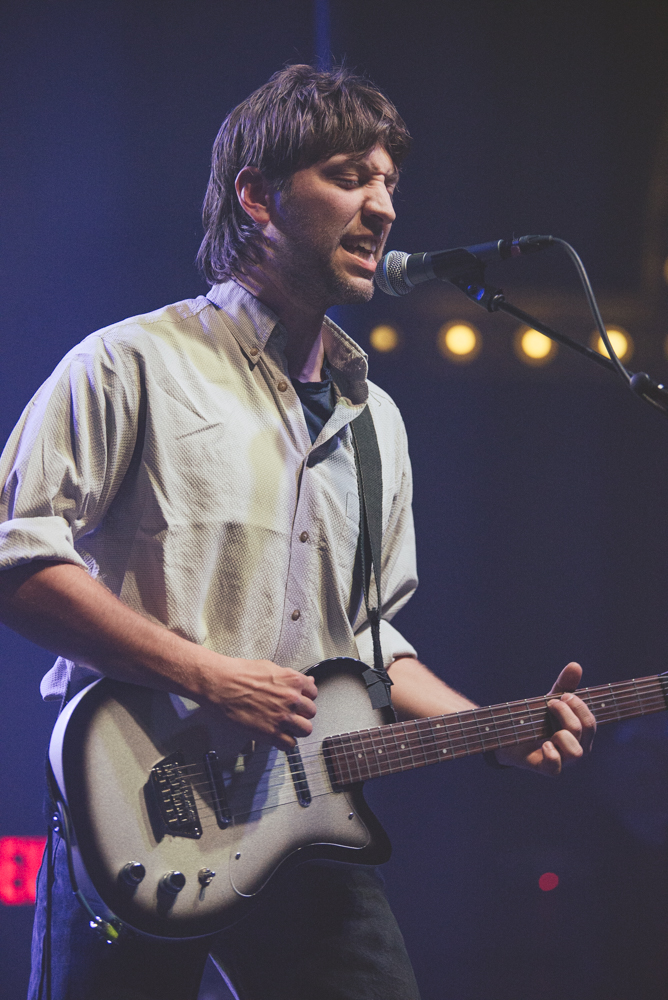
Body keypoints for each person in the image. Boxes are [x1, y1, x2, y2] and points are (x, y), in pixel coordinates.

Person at [0, 65, 596, 1000]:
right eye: (352, 175)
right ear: (258, 195)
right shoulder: (131, 364)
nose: (385, 205)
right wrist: (206, 673)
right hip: (139, 812)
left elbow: (370, 650)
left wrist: (492, 730)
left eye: (391, 182)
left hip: (304, 816)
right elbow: (16, 562)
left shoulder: (378, 425)